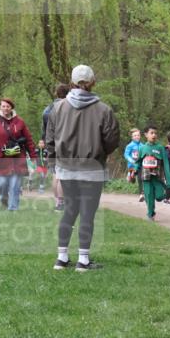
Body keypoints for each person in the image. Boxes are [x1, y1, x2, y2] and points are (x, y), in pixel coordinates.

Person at [46, 65, 120, 270]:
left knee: (69, 210)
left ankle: (61, 258)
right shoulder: (104, 109)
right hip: (93, 168)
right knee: (87, 213)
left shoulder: (58, 108)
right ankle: (83, 260)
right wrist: (100, 152)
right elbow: (112, 139)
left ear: (71, 82)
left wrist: (54, 162)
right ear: (93, 82)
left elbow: (50, 139)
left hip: (66, 167)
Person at [0, 98, 36, 211]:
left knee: (15, 185)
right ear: (0, 107)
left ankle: (13, 209)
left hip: (17, 158)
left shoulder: (20, 122)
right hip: (0, 159)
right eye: (3, 106)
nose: (5, 108)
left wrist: (32, 156)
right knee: (2, 184)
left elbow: (28, 140)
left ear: (12, 108)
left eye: (8, 106)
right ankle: (4, 199)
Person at [137, 126, 170, 220]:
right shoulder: (142, 148)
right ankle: (150, 214)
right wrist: (133, 171)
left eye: (155, 133)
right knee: (149, 196)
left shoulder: (160, 148)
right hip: (146, 178)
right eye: (151, 133)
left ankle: (164, 195)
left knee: (159, 197)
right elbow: (138, 163)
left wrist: (169, 182)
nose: (154, 135)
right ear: (146, 135)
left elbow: (166, 164)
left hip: (158, 178)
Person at [43, 84, 69, 210]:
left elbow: (46, 129)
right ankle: (62, 202)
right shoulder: (68, 108)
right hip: (65, 144)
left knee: (55, 174)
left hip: (51, 144)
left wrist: (47, 145)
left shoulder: (47, 109)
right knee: (62, 175)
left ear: (56, 93)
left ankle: (57, 201)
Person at [123, 129, 144, 203]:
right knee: (132, 180)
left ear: (140, 136)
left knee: (141, 178)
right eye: (135, 135)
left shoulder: (142, 145)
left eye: (138, 135)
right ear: (132, 137)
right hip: (132, 165)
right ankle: (130, 176)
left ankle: (141, 194)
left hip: (140, 165)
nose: (137, 137)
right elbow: (126, 155)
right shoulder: (129, 146)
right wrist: (131, 160)